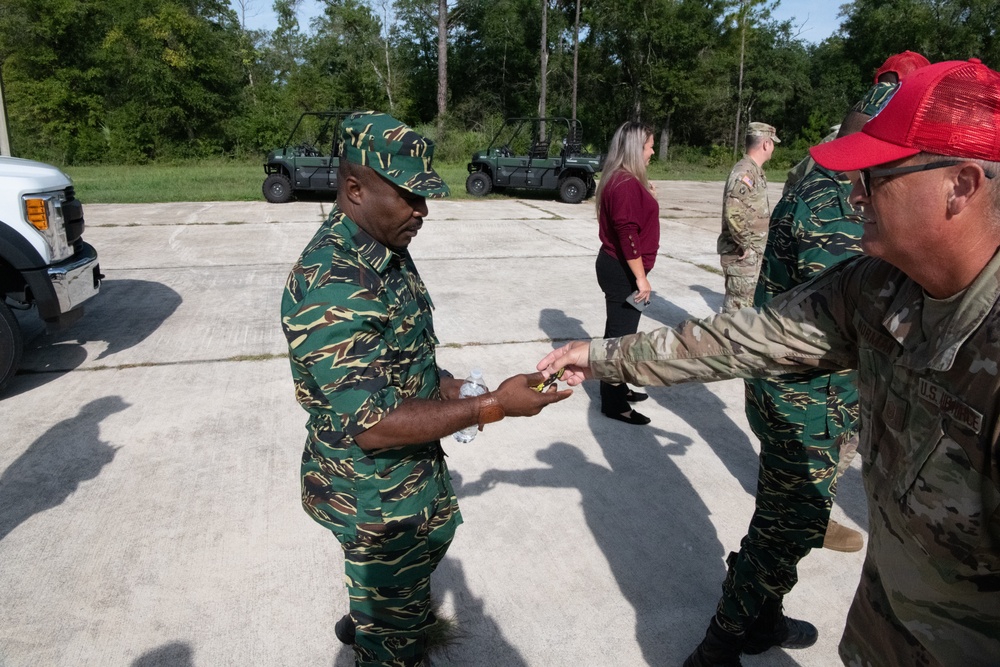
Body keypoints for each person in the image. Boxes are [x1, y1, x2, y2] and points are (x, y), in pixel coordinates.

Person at [539, 59, 1000, 667]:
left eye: (877, 174)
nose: (855, 192)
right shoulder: (877, 287)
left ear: (961, 186)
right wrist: (598, 356)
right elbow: (741, 338)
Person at [281, 111, 570, 667]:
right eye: (410, 196)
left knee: (404, 585)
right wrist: (492, 407)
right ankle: (383, 632)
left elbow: (401, 362)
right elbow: (375, 425)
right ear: (354, 188)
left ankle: (373, 612)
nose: (423, 211)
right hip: (375, 496)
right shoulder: (334, 283)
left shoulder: (384, 249)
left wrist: (460, 387)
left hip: (405, 476)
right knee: (396, 649)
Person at [683, 83, 900, 667]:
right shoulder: (838, 184)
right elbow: (852, 297)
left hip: (811, 386)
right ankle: (720, 644)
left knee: (786, 515)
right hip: (807, 392)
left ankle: (762, 616)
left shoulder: (825, 167)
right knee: (793, 521)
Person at [594, 121, 658, 425]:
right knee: (621, 340)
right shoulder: (625, 184)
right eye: (649, 146)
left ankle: (615, 386)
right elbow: (626, 232)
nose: (653, 151)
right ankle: (614, 403)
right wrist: (641, 277)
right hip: (623, 272)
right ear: (635, 149)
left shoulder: (623, 180)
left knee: (619, 334)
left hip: (621, 269)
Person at [719, 122, 779, 313]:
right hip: (743, 256)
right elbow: (733, 211)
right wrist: (744, 242)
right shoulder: (745, 172)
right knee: (737, 312)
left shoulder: (753, 170)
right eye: (773, 143)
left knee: (745, 310)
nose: (773, 148)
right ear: (765, 144)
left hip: (750, 257)